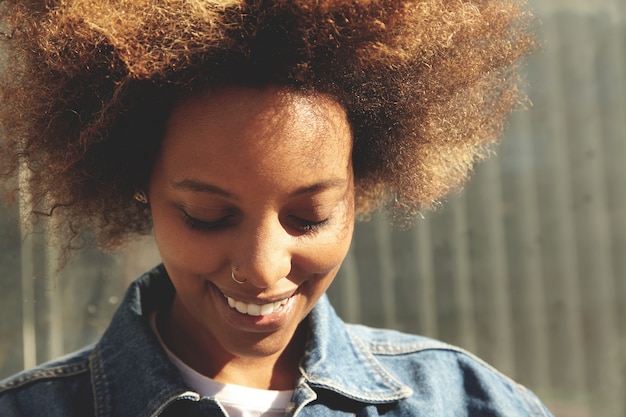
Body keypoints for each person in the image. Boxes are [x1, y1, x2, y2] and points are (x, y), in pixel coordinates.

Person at [0, 0, 553, 416]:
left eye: (310, 217)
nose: (263, 269)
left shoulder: (468, 402)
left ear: (362, 187)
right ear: (140, 185)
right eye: (207, 216)